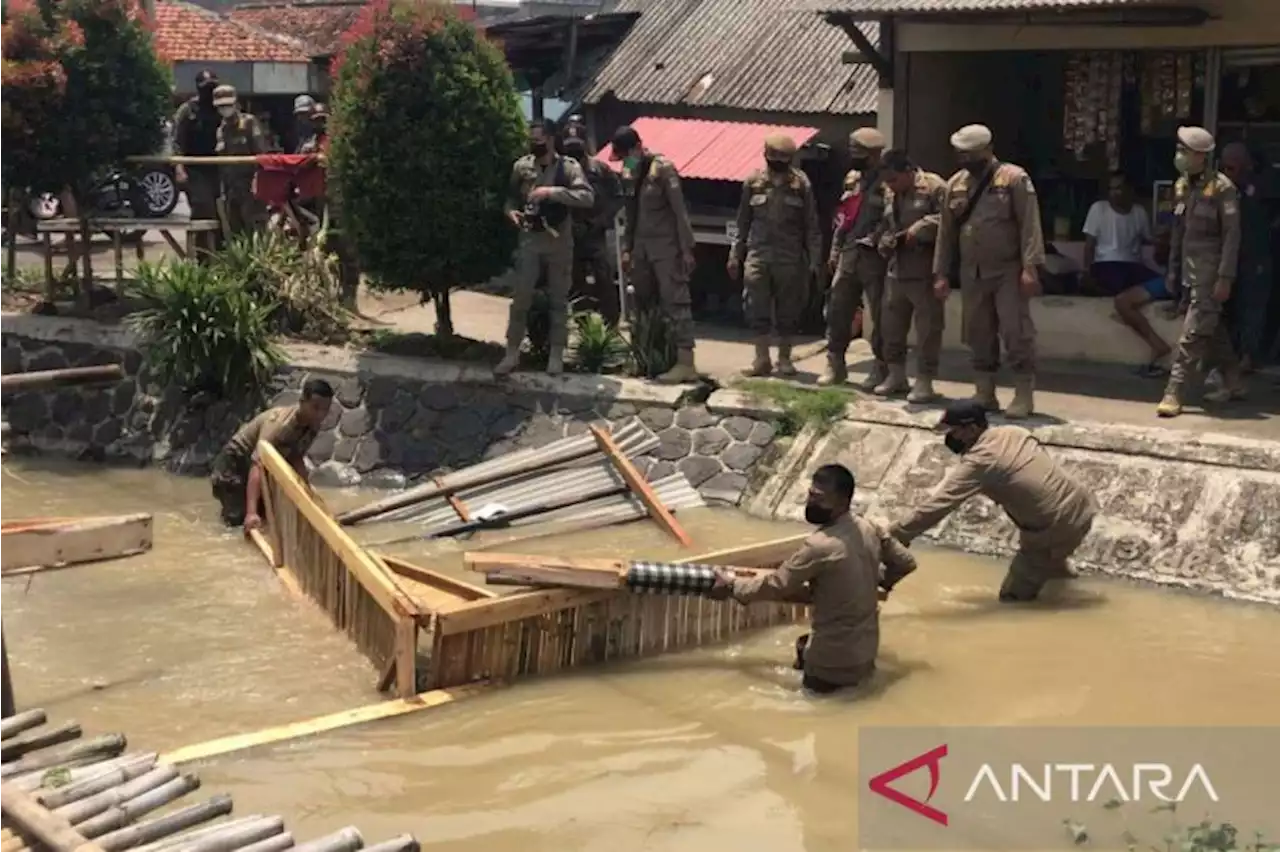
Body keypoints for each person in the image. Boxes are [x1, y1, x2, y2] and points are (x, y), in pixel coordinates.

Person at [710, 464, 917, 695]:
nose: (810, 503)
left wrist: (732, 586)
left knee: (815, 707)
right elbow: (906, 563)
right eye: (810, 494)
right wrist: (880, 582)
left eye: (818, 498)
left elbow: (778, 585)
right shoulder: (870, 528)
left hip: (830, 665)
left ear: (841, 501)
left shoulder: (819, 545)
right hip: (865, 653)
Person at [889, 400, 1096, 603]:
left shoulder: (981, 462)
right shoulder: (1015, 432)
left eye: (953, 431)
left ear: (972, 429)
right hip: (1081, 505)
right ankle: (1064, 584)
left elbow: (939, 505)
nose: (950, 438)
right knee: (1052, 568)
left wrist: (895, 535)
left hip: (1053, 526)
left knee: (1013, 599)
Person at [933, 124, 1045, 419]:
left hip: (1008, 269)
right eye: (960, 154)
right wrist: (941, 273)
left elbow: (1029, 225)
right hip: (972, 273)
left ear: (986, 150)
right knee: (977, 332)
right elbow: (946, 233)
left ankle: (1023, 394)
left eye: (969, 154)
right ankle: (985, 392)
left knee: (1015, 331)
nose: (964, 159)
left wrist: (1030, 267)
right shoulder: (954, 185)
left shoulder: (1013, 179)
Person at [497, 119, 595, 376]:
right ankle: (511, 353)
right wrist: (512, 214)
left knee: (558, 300)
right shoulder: (522, 167)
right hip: (530, 240)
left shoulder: (568, 168)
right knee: (521, 298)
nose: (534, 144)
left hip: (559, 241)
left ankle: (556, 356)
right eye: (531, 139)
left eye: (539, 140)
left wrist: (552, 192)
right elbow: (508, 200)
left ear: (551, 139)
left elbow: (587, 197)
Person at [1157, 126, 1243, 418]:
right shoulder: (1181, 186)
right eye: (1178, 149)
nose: (1179, 155)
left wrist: (1225, 277)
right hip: (1189, 272)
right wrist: (1172, 271)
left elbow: (1232, 236)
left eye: (1184, 150)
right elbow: (1177, 233)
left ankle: (1174, 390)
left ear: (1200, 155)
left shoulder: (1222, 188)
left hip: (1211, 272)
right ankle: (1233, 377)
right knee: (1211, 327)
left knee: (1192, 334)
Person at [610, 125, 700, 383]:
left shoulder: (662, 169)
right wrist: (627, 249)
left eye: (626, 154)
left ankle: (685, 362)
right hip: (641, 250)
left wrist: (686, 249)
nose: (624, 160)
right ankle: (647, 357)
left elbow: (679, 212)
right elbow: (630, 214)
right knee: (642, 303)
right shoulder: (629, 172)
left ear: (637, 147)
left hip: (667, 250)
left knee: (676, 302)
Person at [727, 134, 822, 377]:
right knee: (755, 305)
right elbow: (742, 221)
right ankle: (761, 359)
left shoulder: (801, 185)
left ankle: (785, 359)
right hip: (758, 254)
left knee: (788, 309)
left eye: (784, 158)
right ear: (766, 155)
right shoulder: (754, 182)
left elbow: (811, 225)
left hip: (789, 257)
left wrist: (814, 260)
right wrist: (735, 254)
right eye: (775, 157)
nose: (779, 162)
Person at [1081, 172, 1173, 375]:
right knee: (1122, 293)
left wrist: (1163, 239)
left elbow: (1149, 241)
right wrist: (1086, 271)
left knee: (1164, 283)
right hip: (1105, 264)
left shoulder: (1139, 212)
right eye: (1112, 189)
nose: (1115, 193)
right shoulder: (1099, 209)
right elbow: (1089, 245)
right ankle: (1154, 341)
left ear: (1130, 191)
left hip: (1132, 266)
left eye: (1120, 188)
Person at [210, 379, 334, 530]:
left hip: (255, 465)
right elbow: (258, 464)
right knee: (238, 522)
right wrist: (251, 513)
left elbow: (296, 457)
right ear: (302, 402)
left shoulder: (312, 426)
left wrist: (309, 497)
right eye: (315, 408)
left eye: (325, 410)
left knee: (268, 518)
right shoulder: (280, 426)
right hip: (235, 462)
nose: (320, 414)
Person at [876, 149, 947, 402]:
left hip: (925, 271)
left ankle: (925, 381)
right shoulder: (890, 192)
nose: (890, 186)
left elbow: (949, 222)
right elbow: (886, 224)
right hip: (897, 270)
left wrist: (921, 228)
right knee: (891, 326)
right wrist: (885, 241)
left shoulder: (934, 186)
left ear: (908, 171)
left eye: (894, 179)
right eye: (887, 181)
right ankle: (896, 375)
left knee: (928, 330)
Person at [822, 128, 889, 388]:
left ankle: (881, 366)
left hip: (875, 258)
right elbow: (843, 217)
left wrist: (877, 238)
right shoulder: (853, 180)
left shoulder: (886, 182)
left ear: (873, 155)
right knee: (838, 309)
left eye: (859, 154)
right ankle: (835, 363)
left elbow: (891, 218)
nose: (854, 158)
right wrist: (835, 249)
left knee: (881, 315)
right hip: (849, 254)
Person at [1219, 141, 1272, 375]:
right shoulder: (1221, 190)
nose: (1228, 173)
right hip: (1230, 259)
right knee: (1228, 311)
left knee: (1252, 309)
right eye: (1225, 168)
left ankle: (1248, 357)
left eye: (1233, 168)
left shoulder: (1263, 188)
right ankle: (1229, 359)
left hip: (1256, 257)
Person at [563, 133, 623, 326]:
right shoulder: (561, 172)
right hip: (573, 234)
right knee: (575, 281)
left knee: (604, 278)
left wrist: (602, 221)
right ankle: (583, 325)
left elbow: (617, 196)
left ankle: (610, 323)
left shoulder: (601, 170)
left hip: (596, 233)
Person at [172, 70, 222, 255]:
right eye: (206, 88)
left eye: (212, 87)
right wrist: (179, 169)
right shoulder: (187, 110)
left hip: (219, 169)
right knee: (203, 209)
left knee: (222, 212)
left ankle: (221, 257)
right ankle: (201, 258)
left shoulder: (221, 108)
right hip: (196, 170)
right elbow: (176, 142)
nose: (209, 92)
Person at [213, 84, 268, 237]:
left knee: (256, 230)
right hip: (232, 189)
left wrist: (258, 181)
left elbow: (261, 154)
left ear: (235, 103)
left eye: (228, 105)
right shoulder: (221, 130)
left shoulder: (249, 123)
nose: (225, 109)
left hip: (250, 186)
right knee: (235, 231)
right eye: (221, 106)